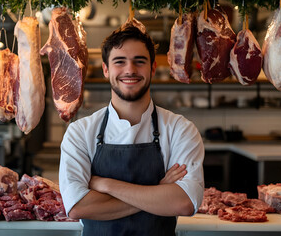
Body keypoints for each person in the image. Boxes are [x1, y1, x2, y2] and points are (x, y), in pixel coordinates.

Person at [59, 23, 204, 236]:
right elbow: (78, 207)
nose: (130, 70)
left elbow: (184, 203)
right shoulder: (80, 132)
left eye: (140, 61)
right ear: (106, 69)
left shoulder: (180, 129)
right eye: (120, 62)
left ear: (153, 68)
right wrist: (159, 189)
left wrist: (106, 185)